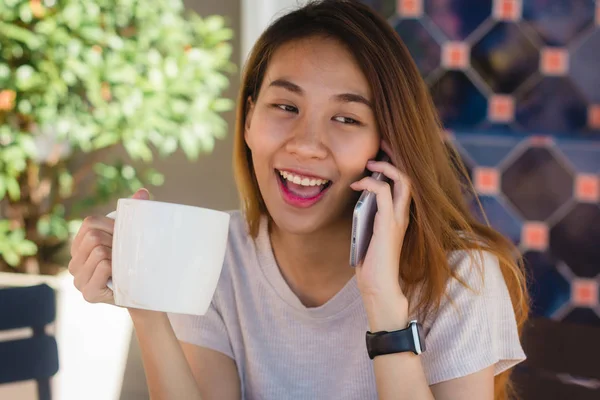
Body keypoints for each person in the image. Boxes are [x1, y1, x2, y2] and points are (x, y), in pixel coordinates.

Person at [68, 1, 529, 399]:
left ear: (385, 146)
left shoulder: (460, 277)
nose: (307, 144)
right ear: (249, 120)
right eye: (286, 107)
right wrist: (147, 308)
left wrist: (384, 304)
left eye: (346, 119)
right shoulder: (218, 256)